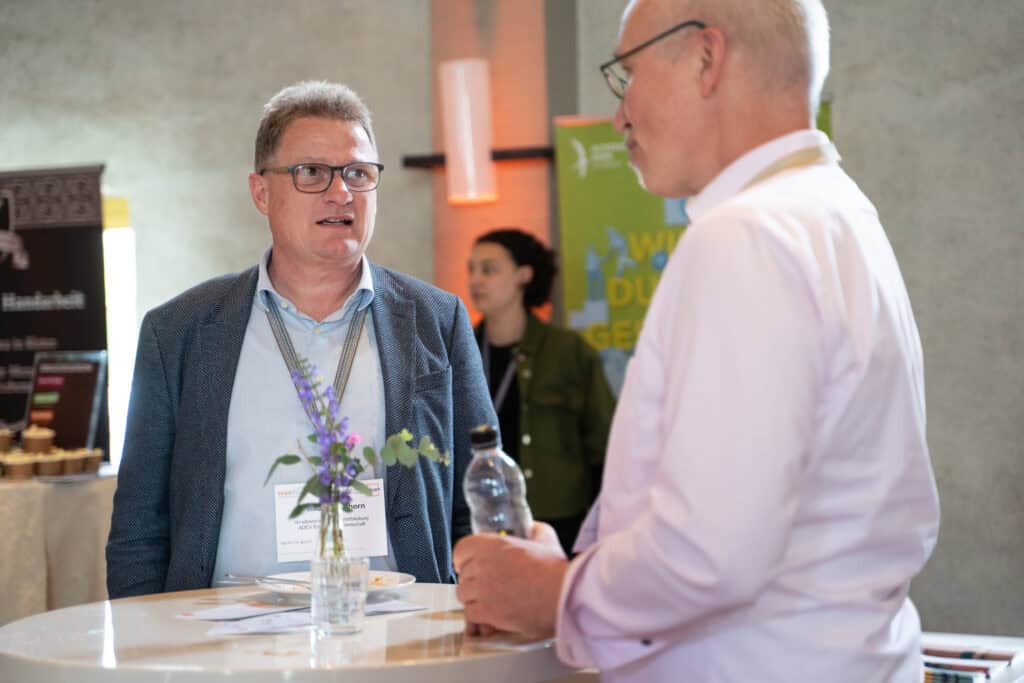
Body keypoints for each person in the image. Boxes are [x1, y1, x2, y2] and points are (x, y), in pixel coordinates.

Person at [453, 1, 941, 681]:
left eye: (628, 76)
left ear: (707, 58)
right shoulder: (836, 211)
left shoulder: (747, 234)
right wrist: (576, 567)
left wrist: (551, 593)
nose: (619, 116)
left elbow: (710, 551)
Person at [106, 81, 497, 598]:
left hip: (395, 621)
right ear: (261, 192)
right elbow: (139, 527)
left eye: (358, 173)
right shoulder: (179, 331)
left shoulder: (436, 320)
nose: (341, 192)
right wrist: (145, 637)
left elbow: (482, 496)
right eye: (311, 172)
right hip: (224, 628)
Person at [468, 228, 615, 555]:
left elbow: (604, 445)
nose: (476, 280)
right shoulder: (461, 350)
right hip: (484, 519)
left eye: (489, 270)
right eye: (472, 269)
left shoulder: (567, 351)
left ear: (524, 275)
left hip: (559, 522)